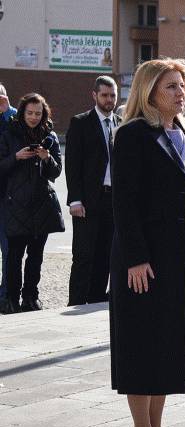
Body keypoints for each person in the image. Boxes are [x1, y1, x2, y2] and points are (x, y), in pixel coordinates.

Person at [109, 57, 185, 427]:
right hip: (146, 256)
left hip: (183, 253)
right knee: (143, 344)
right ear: (149, 91)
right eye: (171, 85)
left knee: (169, 343)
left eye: (182, 84)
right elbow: (124, 201)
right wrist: (136, 257)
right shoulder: (134, 135)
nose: (180, 92)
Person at [0, 93, 63, 313]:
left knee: (36, 256)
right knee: (13, 256)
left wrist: (46, 157)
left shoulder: (51, 136)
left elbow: (56, 171)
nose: (34, 117)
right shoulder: (9, 134)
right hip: (16, 204)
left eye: (38, 113)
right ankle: (10, 298)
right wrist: (15, 157)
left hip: (41, 205)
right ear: (22, 112)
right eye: (30, 113)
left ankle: (30, 296)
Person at [65, 75, 121, 306]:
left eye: (113, 96)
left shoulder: (121, 123)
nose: (109, 100)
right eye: (105, 95)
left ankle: (97, 300)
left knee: (105, 255)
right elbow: (73, 164)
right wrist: (75, 200)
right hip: (87, 201)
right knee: (83, 256)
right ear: (94, 95)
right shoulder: (80, 122)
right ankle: (76, 302)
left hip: (113, 200)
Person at [0, 83, 17, 311]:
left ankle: (4, 293)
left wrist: (8, 110)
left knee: (7, 248)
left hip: (6, 195)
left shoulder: (10, 119)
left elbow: (20, 130)